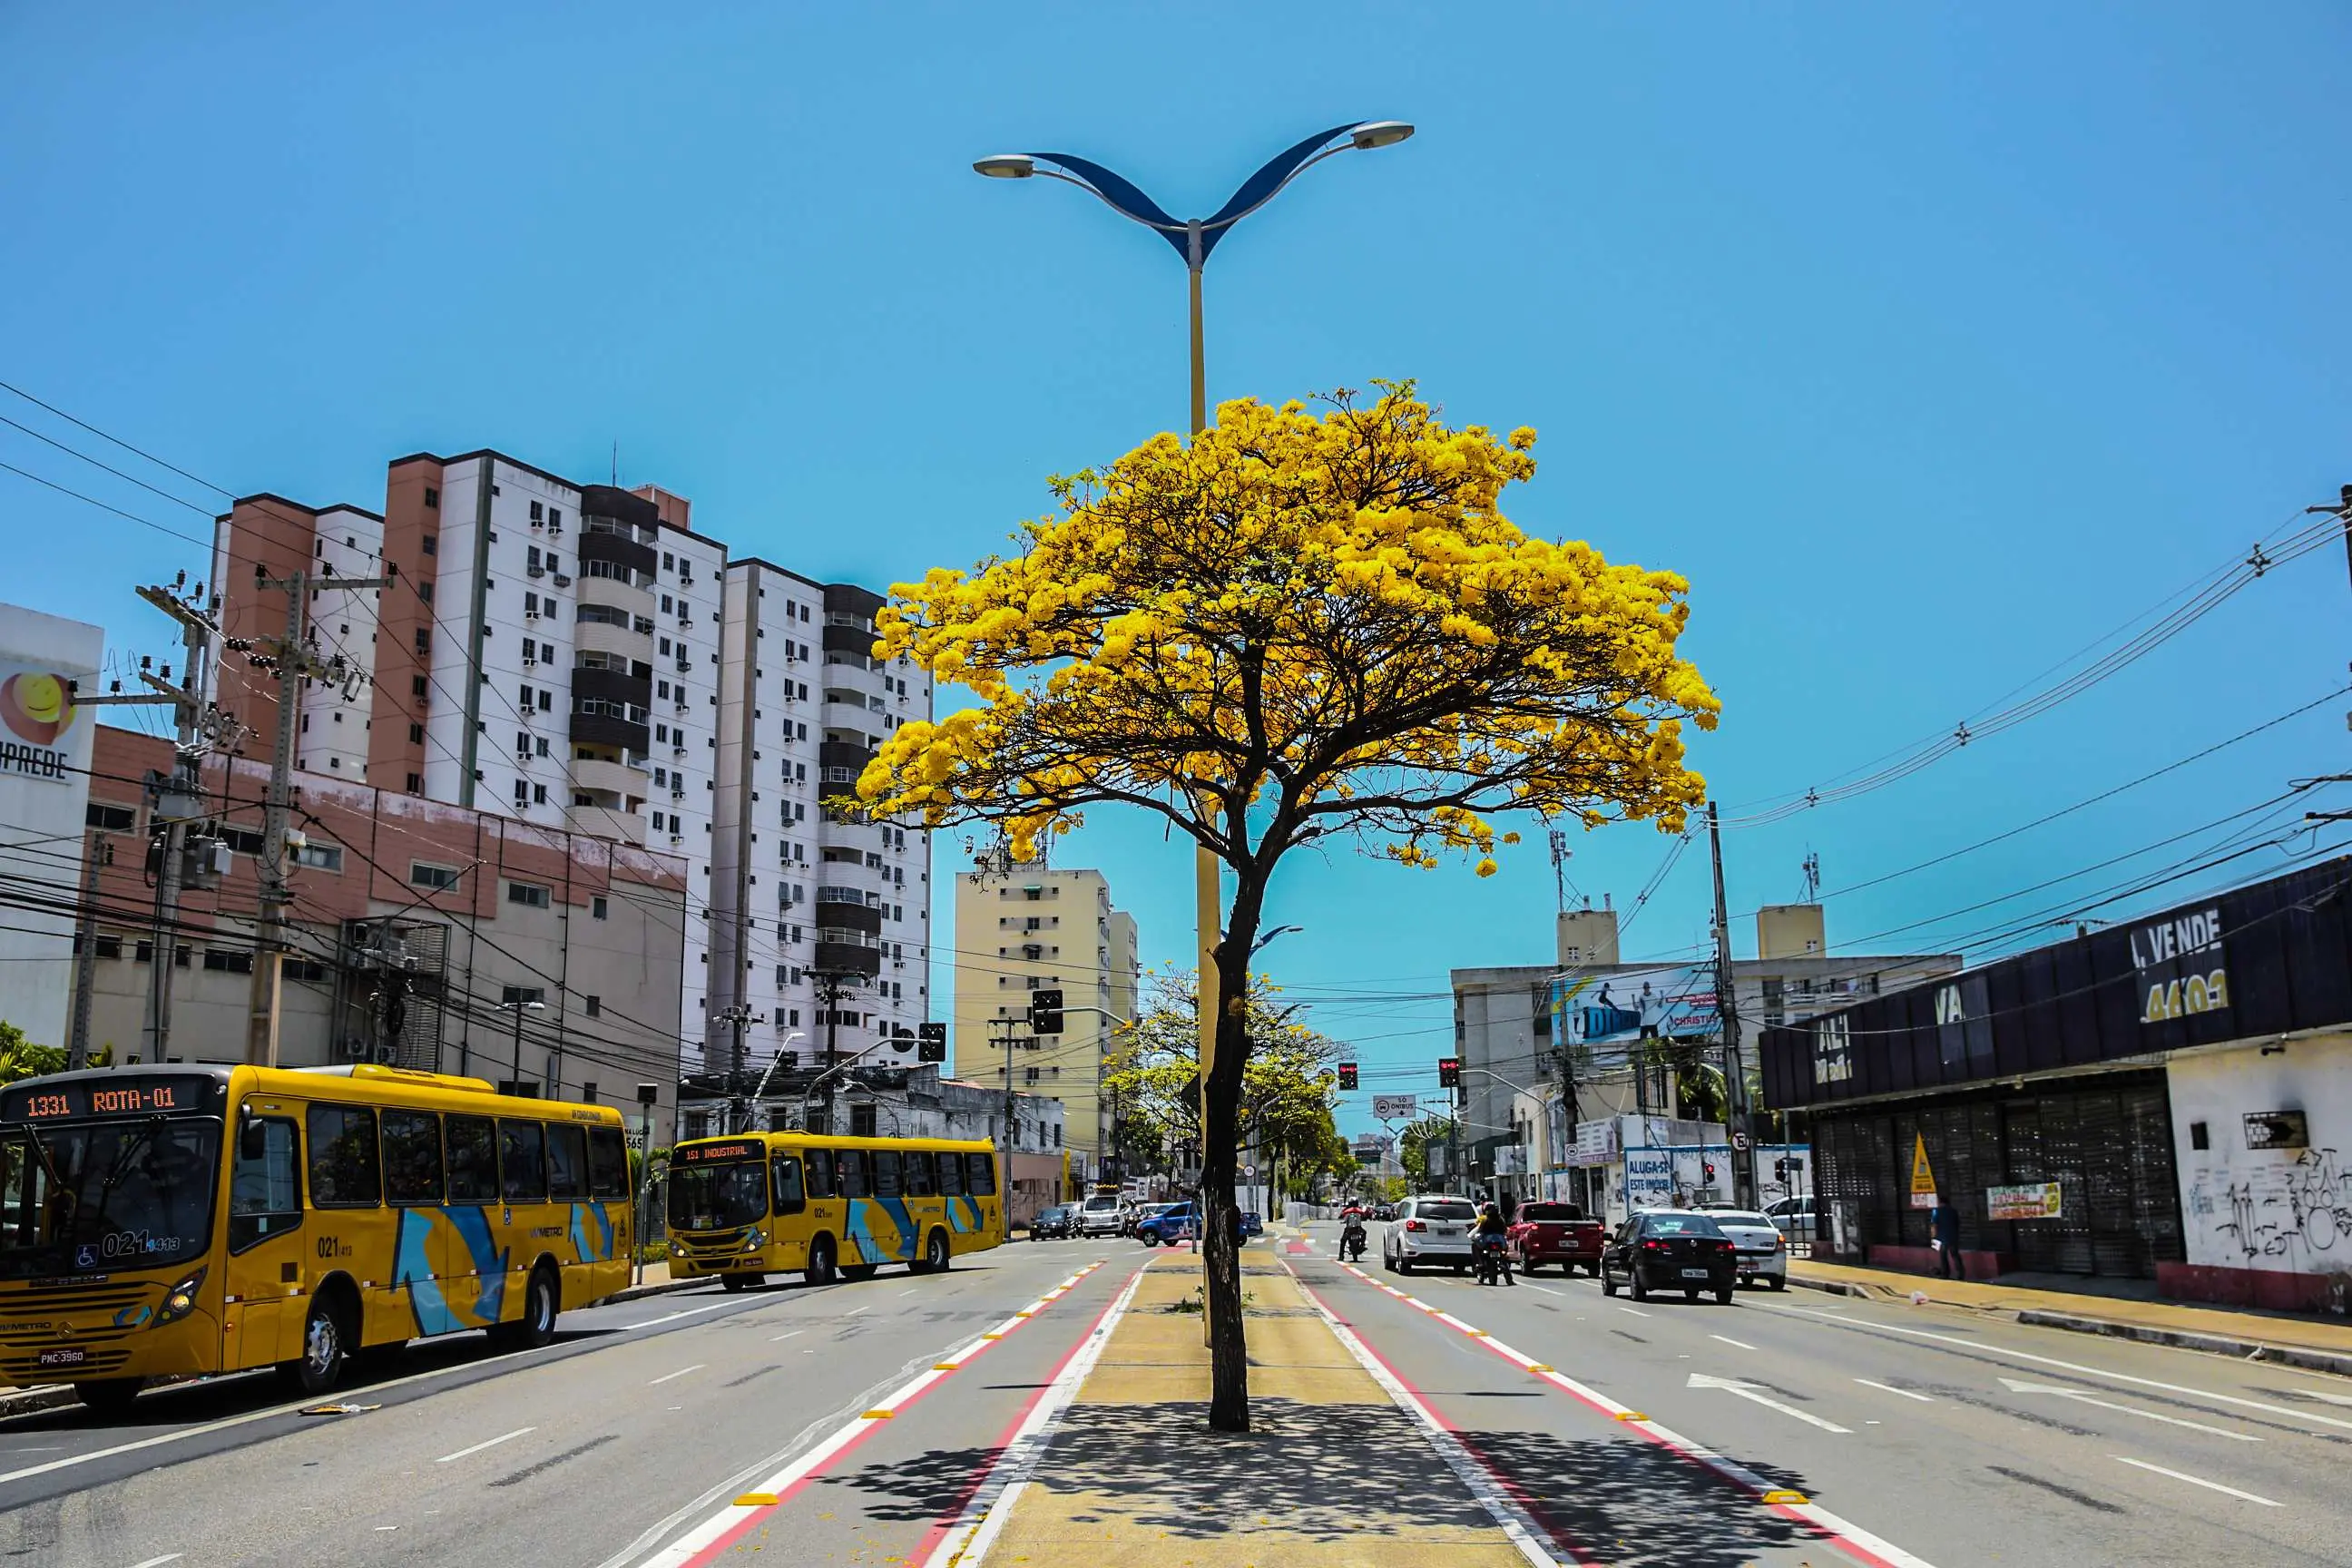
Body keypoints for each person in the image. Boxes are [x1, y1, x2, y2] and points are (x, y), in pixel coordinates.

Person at [1474, 1200, 1514, 1286]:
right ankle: (1509, 1279)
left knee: (1504, 1259)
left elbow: (1481, 1231)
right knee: (1503, 1260)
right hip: (1495, 1243)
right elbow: (1504, 1230)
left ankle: (1480, 1264)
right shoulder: (1499, 1219)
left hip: (1492, 1243)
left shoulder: (1487, 1220)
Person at [1932, 1201, 1964, 1279]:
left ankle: (1945, 1274)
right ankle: (1960, 1274)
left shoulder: (1936, 1211)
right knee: (1955, 1255)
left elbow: (1934, 1225)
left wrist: (1933, 1237)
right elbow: (1958, 1223)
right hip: (1953, 1237)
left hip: (1942, 1238)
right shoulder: (1953, 1211)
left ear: (1940, 1202)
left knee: (1943, 1257)